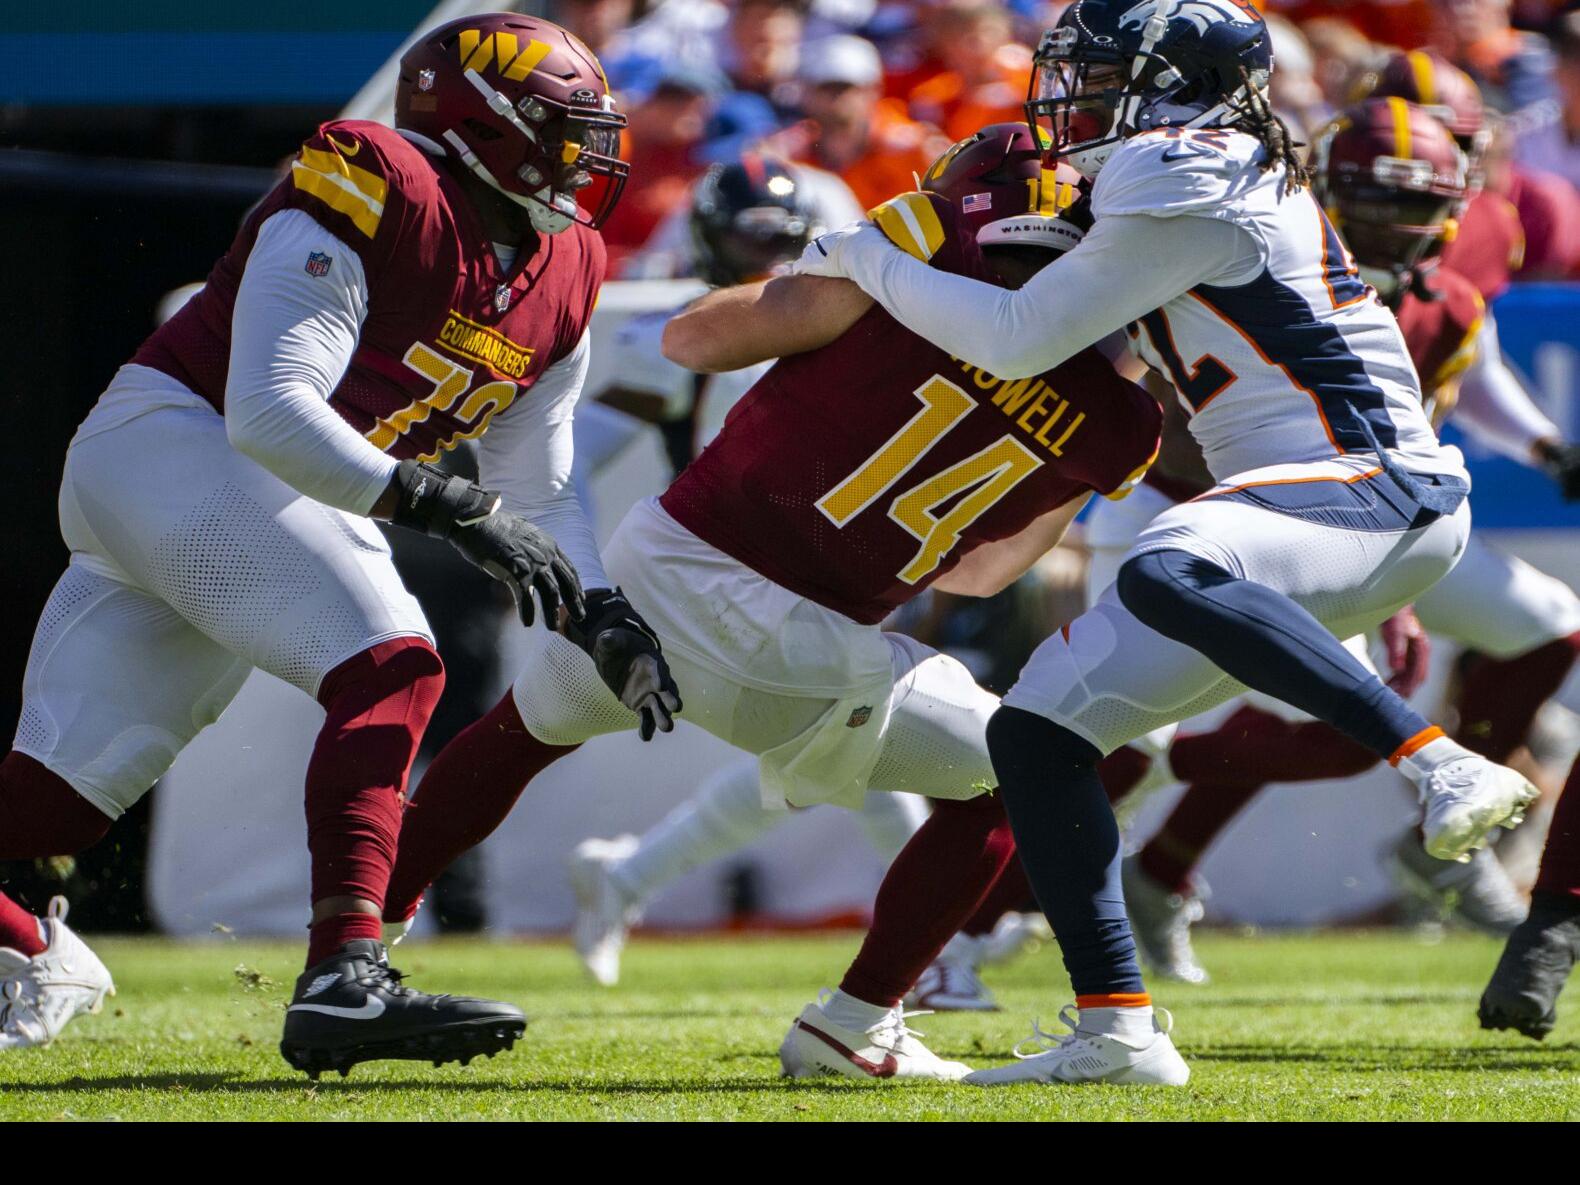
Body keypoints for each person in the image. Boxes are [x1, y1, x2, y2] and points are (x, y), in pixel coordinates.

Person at [795, 0, 1538, 1087]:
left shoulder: (1180, 160)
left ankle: (1430, 764)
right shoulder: (1178, 168)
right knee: (1039, 737)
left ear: (1173, 85)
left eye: (1095, 75)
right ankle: (1116, 1030)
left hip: (1372, 481)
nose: (1070, 96)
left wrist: (868, 257)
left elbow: (1019, 340)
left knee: (1166, 562)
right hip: (1302, 507)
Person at [376, 121, 1162, 1082]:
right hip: (815, 648)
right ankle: (856, 1018)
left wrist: (854, 276)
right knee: (1019, 781)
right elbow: (981, 574)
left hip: (663, 573)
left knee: (514, 736)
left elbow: (692, 336)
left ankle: (358, 937)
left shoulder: (909, 256)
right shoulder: (1124, 418)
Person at [0, 14, 680, 1078]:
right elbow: (268, 410)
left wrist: (601, 607)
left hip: (227, 484)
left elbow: (537, 488)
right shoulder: (379, 178)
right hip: (179, 437)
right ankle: (343, 977)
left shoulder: (570, 267)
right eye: (560, 127)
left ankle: (31, 937)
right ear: (473, 121)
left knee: (48, 810)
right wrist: (445, 507)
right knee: (392, 663)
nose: (586, 156)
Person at [766, 34, 947, 209]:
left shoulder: (913, 151)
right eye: (826, 88)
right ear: (807, 93)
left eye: (846, 88)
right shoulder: (791, 155)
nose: (837, 99)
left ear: (873, 90)